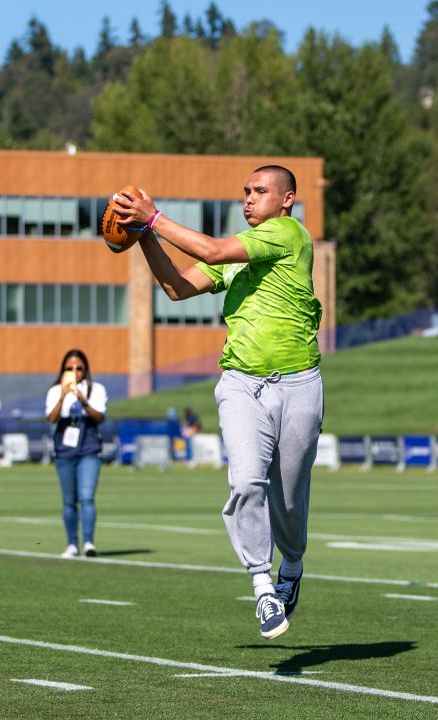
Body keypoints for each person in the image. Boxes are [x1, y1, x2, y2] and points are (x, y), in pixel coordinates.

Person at [114, 165, 324, 640]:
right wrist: (145, 236)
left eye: (260, 191)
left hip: (299, 384)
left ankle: (292, 563)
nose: (248, 199)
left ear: (287, 199)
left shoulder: (288, 235)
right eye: (246, 192)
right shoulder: (237, 252)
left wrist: (153, 217)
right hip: (241, 384)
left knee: (289, 498)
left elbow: (209, 248)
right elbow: (176, 288)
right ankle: (261, 585)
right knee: (248, 480)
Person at [44, 349, 108, 558]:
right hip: (65, 452)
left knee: (87, 497)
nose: (75, 372)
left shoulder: (95, 389)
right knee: (69, 500)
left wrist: (83, 401)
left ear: (85, 369)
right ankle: (72, 543)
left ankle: (88, 542)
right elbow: (52, 418)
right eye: (70, 368)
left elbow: (99, 417)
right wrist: (63, 395)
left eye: (79, 368)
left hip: (88, 450)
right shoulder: (55, 390)